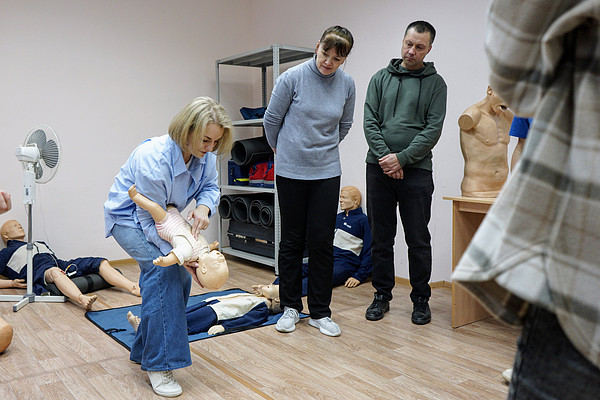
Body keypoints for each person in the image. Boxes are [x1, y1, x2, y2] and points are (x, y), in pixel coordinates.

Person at [453, 1, 600, 398]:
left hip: (581, 253)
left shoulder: (529, 96)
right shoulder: (478, 115)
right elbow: (521, 146)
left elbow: (512, 62)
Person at [104, 96, 233, 398]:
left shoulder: (206, 156)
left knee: (176, 275)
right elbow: (148, 219)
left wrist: (203, 207)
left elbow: (210, 187)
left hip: (166, 217)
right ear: (187, 130)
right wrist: (178, 253)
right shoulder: (153, 159)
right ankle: (160, 364)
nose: (210, 147)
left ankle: (145, 351)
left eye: (215, 141)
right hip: (130, 219)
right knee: (166, 274)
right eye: (205, 140)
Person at [263, 26, 356, 337]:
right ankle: (290, 307)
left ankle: (320, 312)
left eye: (336, 59)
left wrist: (322, 149)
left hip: (326, 172)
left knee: (321, 242)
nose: (328, 62)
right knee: (292, 240)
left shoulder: (347, 84)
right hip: (290, 171)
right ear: (317, 46)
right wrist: (281, 150)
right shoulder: (292, 77)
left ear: (344, 59)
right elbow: (271, 120)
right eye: (325, 54)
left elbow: (345, 124)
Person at [363, 20, 447, 325]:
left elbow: (432, 130)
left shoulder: (436, 84)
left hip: (417, 172)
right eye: (408, 44)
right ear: (403, 41)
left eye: (419, 47)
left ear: (429, 49)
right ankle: (381, 296)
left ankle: (421, 300)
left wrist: (402, 159)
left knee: (418, 239)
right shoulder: (379, 78)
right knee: (381, 238)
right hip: (378, 169)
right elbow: (370, 121)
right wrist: (387, 159)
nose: (411, 51)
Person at [0, 219, 141, 310]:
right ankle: (81, 299)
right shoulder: (5, 253)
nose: (19, 226)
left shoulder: (38, 243)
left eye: (19, 224)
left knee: (99, 261)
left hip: (60, 263)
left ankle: (133, 287)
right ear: (5, 235)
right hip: (39, 270)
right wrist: (11, 283)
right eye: (14, 226)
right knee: (54, 271)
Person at [127, 185, 228, 290]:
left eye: (218, 262)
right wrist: (212, 245)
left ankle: (135, 196)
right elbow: (205, 246)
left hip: (166, 224)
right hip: (175, 217)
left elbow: (174, 257)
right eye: (224, 261)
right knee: (167, 204)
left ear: (203, 269)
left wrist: (164, 261)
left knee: (154, 207)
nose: (221, 257)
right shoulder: (205, 250)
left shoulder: (187, 252)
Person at [127, 284, 280, 336]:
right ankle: (148, 323)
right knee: (178, 314)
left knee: (183, 323)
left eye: (271, 286)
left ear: (277, 300)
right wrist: (261, 289)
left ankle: (146, 331)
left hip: (215, 314)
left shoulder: (262, 308)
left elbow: (247, 320)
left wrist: (225, 327)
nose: (267, 285)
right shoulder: (258, 297)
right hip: (210, 304)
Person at [458, 85, 514, 198]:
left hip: (502, 190)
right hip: (477, 189)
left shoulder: (508, 117)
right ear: (490, 90)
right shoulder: (472, 115)